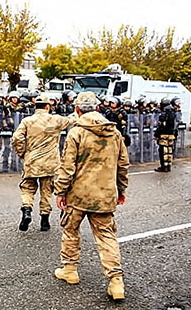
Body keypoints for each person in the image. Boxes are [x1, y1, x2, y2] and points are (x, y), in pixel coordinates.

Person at [53, 91, 129, 301]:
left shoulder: (76, 133)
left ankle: (70, 269)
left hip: (78, 195)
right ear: (98, 108)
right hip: (104, 195)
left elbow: (67, 167)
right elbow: (122, 165)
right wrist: (121, 190)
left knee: (70, 230)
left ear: (77, 110)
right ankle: (116, 282)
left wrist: (60, 191)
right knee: (106, 236)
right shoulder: (114, 133)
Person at [12, 95, 77, 232]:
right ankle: (44, 221)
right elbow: (72, 120)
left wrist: (22, 153)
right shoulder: (56, 120)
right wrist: (78, 110)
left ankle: (27, 209)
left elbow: (17, 137)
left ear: (35, 106)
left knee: (27, 188)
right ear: (48, 106)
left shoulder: (27, 121)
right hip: (50, 162)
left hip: (32, 161)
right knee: (46, 191)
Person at [154, 97, 177, 172]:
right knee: (169, 150)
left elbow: (161, 126)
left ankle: (164, 166)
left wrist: (156, 134)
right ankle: (168, 166)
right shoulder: (173, 113)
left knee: (163, 150)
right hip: (171, 135)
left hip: (164, 135)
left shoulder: (164, 113)